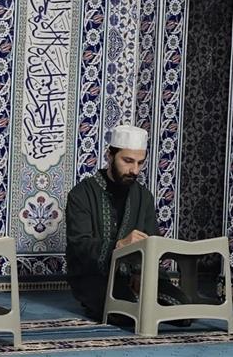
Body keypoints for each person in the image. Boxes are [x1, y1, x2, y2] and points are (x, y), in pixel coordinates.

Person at [65, 124, 189, 322]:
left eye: (140, 163)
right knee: (128, 314)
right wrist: (119, 245)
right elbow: (79, 245)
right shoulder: (82, 194)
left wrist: (141, 272)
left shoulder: (143, 196)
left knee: (183, 311)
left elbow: (153, 241)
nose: (134, 170)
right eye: (128, 161)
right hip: (95, 276)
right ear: (109, 156)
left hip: (136, 275)